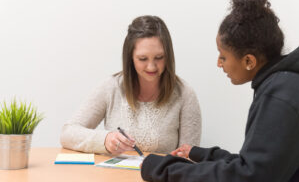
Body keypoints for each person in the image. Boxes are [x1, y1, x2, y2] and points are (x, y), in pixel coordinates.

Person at [140, 0, 299, 181]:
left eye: (223, 57)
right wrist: (203, 154)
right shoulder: (283, 84)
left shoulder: (278, 95)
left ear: (249, 61)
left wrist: (165, 170)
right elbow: (256, 164)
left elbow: (250, 176)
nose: (219, 63)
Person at [60, 15, 202, 155]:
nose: (151, 67)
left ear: (168, 56)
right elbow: (67, 133)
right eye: (142, 59)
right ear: (130, 58)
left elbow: (191, 157)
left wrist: (178, 160)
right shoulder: (112, 87)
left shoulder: (184, 94)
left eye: (159, 57)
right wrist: (105, 139)